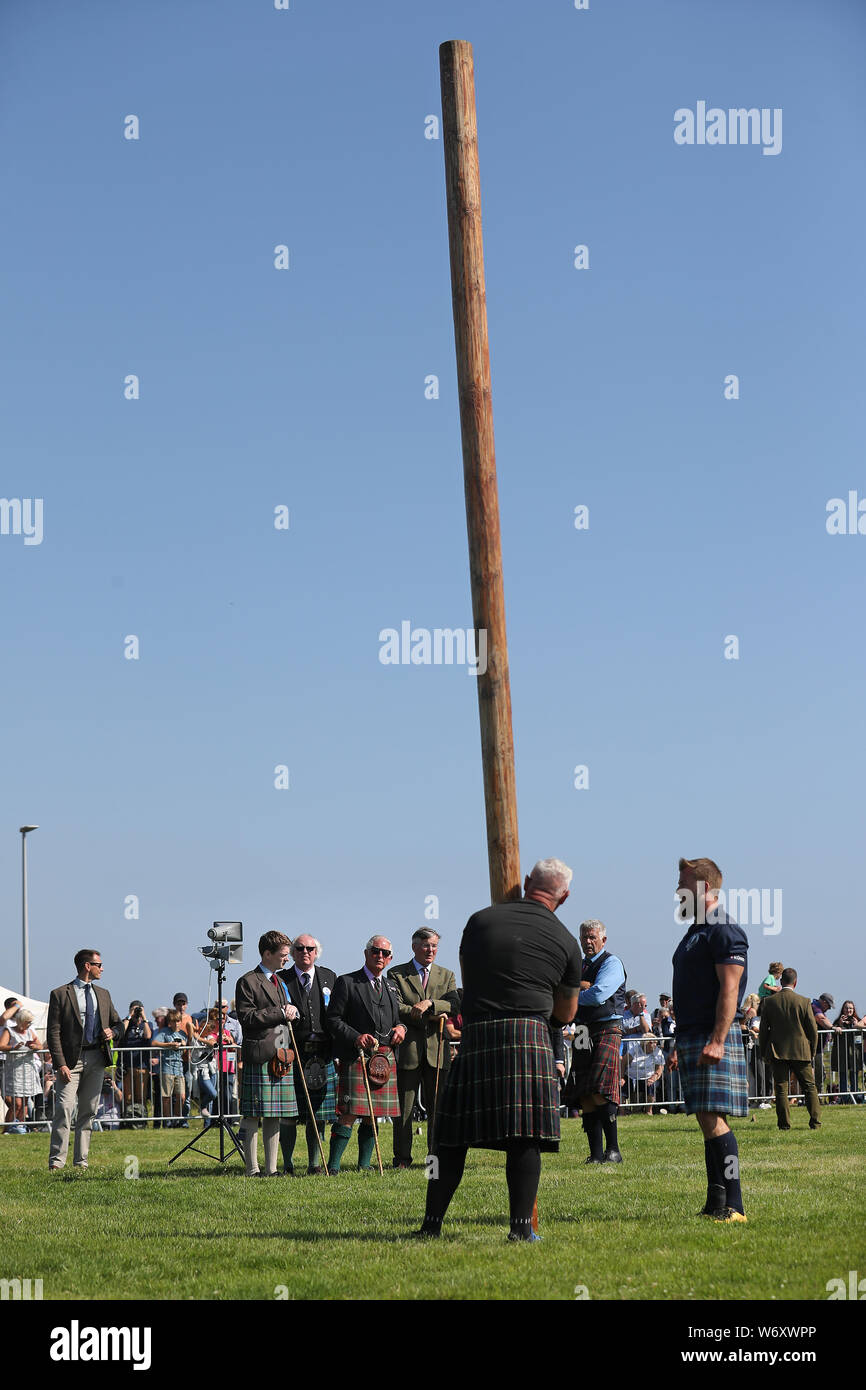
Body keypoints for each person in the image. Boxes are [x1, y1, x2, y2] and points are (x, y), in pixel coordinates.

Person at [415, 858, 582, 1242]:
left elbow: (470, 974)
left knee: (449, 1138)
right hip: (529, 1035)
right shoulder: (567, 941)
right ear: (565, 895)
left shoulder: (479, 921)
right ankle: (521, 1229)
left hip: (479, 1033)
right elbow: (567, 1012)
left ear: (526, 883)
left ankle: (431, 1225)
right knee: (525, 1136)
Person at [669, 858, 748, 1223]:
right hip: (692, 1033)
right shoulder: (697, 931)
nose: (677, 891)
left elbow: (730, 990)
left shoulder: (723, 930)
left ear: (702, 889)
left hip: (712, 1034)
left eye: (682, 884)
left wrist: (717, 1039)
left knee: (714, 1119)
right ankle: (715, 1202)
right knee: (705, 1118)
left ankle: (735, 1204)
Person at [326, 936, 406, 1174]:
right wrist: (355, 1037)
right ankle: (333, 1166)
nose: (379, 956)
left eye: (384, 953)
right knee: (350, 1112)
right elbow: (333, 1019)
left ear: (390, 958)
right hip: (357, 1056)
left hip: (384, 1057)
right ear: (366, 953)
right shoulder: (348, 982)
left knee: (374, 1113)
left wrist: (402, 1028)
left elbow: (397, 1020)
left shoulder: (391, 986)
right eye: (375, 951)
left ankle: (365, 1164)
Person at [388, 928, 459, 1169]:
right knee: (404, 1111)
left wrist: (429, 1004)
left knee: (438, 1110)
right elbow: (396, 1007)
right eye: (426, 946)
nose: (431, 951)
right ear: (414, 947)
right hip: (408, 1052)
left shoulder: (447, 975)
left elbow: (454, 1004)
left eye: (434, 946)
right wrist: (430, 1015)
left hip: (438, 1053)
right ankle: (402, 1159)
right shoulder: (397, 974)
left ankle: (435, 1158)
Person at [47, 948, 122, 1171]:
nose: (102, 968)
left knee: (88, 1111)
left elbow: (118, 1024)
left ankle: (81, 1162)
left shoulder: (104, 994)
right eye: (99, 964)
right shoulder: (60, 993)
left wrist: (113, 1033)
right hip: (70, 1061)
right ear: (87, 966)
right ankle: (57, 1162)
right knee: (64, 1109)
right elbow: (53, 1032)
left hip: (97, 1059)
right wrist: (60, 1063)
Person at [235, 931, 300, 1177]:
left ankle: (272, 1169)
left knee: (275, 1113)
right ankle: (252, 1169)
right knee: (253, 1113)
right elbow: (247, 1017)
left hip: (281, 1054)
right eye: (283, 955)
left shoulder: (280, 982)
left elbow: (285, 1012)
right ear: (267, 954)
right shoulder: (248, 981)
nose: (287, 959)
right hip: (260, 1052)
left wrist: (292, 1011)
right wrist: (281, 1011)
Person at [277, 935, 338, 1176]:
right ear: (292, 953)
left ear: (316, 952)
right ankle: (288, 1164)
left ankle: (314, 1164)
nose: (305, 952)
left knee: (318, 1114)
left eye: (310, 948)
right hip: (293, 1054)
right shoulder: (281, 980)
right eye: (300, 948)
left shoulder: (329, 977)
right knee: (290, 1113)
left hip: (323, 1054)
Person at [569, 919, 627, 1163]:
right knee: (585, 1092)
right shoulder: (578, 966)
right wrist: (580, 988)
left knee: (602, 1089)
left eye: (593, 937)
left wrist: (574, 993)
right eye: (584, 937)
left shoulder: (611, 963)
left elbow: (600, 993)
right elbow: (561, 989)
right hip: (582, 1030)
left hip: (606, 1028)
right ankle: (594, 1154)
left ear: (603, 939)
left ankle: (613, 1150)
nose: (588, 942)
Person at [757, 967, 821, 1130]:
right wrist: (812, 1050)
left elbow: (764, 1031)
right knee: (809, 1087)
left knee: (781, 1089)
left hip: (777, 1051)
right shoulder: (804, 1001)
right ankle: (815, 1122)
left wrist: (764, 1052)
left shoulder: (769, 1002)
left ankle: (784, 1125)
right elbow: (813, 1030)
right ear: (795, 982)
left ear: (780, 981)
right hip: (801, 1050)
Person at [0, 1008, 42, 1133]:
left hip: (28, 1070)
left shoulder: (30, 1032)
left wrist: (34, 1046)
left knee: (24, 1102)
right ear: (21, 1021)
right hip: (14, 1070)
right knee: (16, 1104)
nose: (29, 1025)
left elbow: (40, 1045)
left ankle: (20, 1127)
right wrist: (13, 1047)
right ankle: (7, 1129)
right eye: (27, 1022)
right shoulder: (9, 1031)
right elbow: (1, 1045)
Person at [116, 1001, 151, 1126]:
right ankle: (128, 1121)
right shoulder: (126, 1023)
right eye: (134, 1009)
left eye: (138, 1010)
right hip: (127, 1066)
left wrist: (144, 1017)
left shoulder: (146, 1024)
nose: (137, 1012)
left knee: (141, 1096)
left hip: (142, 1067)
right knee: (128, 1097)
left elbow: (147, 1036)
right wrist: (129, 1016)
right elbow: (120, 1033)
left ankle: (142, 1121)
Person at [152, 1009, 188, 1127]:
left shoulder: (183, 1034)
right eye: (173, 1021)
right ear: (169, 1022)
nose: (176, 1023)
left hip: (179, 1068)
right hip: (166, 1067)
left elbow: (187, 1048)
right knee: (166, 1097)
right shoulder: (164, 1032)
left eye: (178, 1021)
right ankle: (167, 1121)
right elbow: (154, 1043)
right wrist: (169, 1045)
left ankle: (176, 1120)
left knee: (181, 1096)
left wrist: (184, 1044)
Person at [830, 1001, 863, 1104]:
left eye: (851, 1008)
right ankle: (844, 1098)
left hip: (854, 1054)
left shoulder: (858, 1021)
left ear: (853, 1010)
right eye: (846, 1008)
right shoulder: (837, 1021)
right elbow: (832, 1035)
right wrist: (839, 1024)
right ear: (842, 1009)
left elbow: (861, 1034)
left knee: (854, 1075)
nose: (848, 1010)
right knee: (843, 1076)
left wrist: (856, 1025)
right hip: (842, 1054)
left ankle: (855, 1097)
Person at [810, 993, 834, 1094]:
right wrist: (833, 1028)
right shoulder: (815, 1008)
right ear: (824, 1002)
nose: (829, 1008)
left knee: (820, 1073)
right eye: (828, 1005)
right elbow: (821, 1019)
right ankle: (816, 1096)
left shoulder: (817, 1008)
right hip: (814, 1048)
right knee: (817, 1073)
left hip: (817, 1048)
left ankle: (817, 1095)